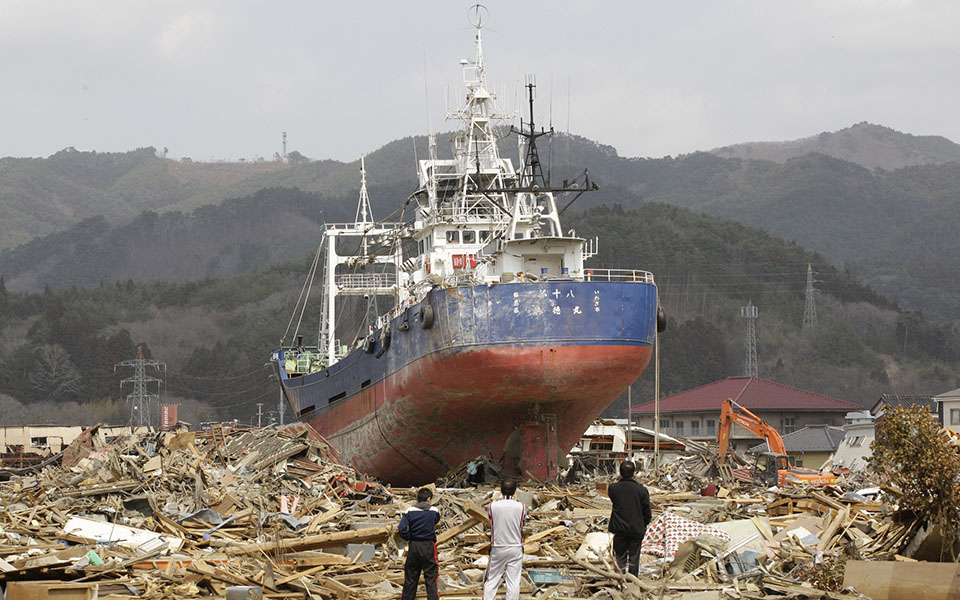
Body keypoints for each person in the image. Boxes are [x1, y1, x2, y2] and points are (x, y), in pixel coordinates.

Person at [607, 460, 652, 576]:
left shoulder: (613, 488)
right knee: (634, 557)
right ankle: (632, 580)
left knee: (620, 556)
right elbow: (647, 511)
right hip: (636, 528)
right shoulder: (642, 490)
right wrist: (644, 523)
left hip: (619, 528)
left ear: (620, 473)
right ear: (634, 473)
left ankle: (620, 580)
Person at [483, 479, 526, 600]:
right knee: (513, 582)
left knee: (492, 580)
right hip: (516, 547)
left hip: (498, 546)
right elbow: (522, 525)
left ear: (500, 490)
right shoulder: (521, 507)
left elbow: (491, 521)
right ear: (515, 491)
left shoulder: (492, 506)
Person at [398, 487, 441, 600]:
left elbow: (401, 529)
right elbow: (436, 520)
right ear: (428, 499)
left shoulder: (409, 511)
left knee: (411, 577)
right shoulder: (434, 511)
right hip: (428, 546)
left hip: (414, 545)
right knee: (431, 577)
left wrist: (410, 537)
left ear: (417, 499)